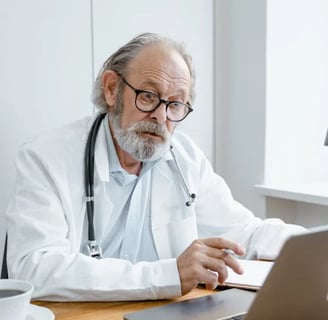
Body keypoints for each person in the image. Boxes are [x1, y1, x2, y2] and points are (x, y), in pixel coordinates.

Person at [5, 33, 305, 301]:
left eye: (175, 104)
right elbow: (35, 267)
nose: (161, 117)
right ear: (112, 90)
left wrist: (311, 245)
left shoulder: (184, 157)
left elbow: (244, 234)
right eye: (148, 96)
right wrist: (168, 275)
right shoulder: (46, 157)